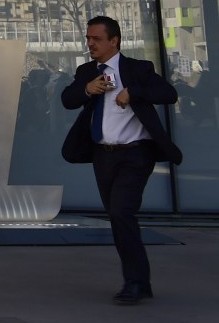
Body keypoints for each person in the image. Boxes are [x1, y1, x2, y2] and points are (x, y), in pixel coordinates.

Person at [61, 15, 183, 305]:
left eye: (96, 39)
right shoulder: (87, 70)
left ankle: (133, 284)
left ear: (113, 41)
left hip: (135, 154)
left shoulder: (138, 69)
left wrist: (133, 92)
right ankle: (140, 280)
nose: (90, 43)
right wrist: (86, 89)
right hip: (103, 155)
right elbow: (68, 99)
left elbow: (169, 93)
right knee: (118, 218)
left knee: (121, 213)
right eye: (88, 38)